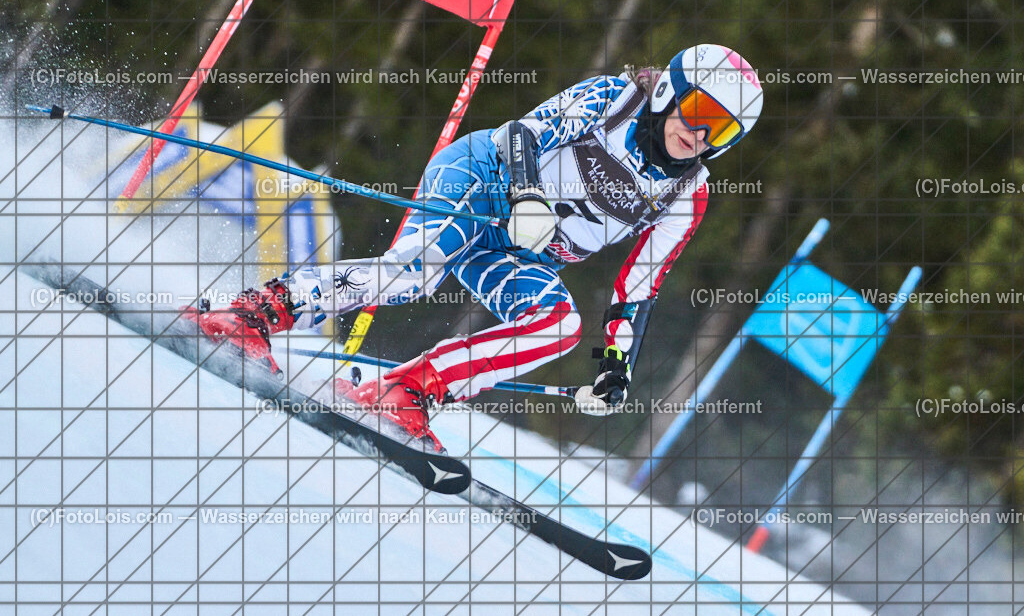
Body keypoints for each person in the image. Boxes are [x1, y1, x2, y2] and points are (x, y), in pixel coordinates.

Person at [187, 44, 764, 451]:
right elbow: (522, 135)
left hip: (520, 250)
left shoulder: (688, 193)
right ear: (669, 90)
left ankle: (406, 390)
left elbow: (638, 286)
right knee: (415, 273)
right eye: (700, 113)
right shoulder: (615, 100)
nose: (702, 136)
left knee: (559, 324)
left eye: (725, 132)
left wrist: (617, 366)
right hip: (483, 181)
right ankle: (250, 313)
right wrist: (528, 195)